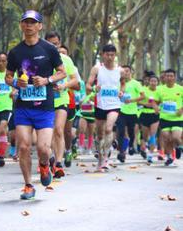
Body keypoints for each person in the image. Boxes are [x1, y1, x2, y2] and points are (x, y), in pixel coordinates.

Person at [6, 10, 66, 200]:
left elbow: (62, 73)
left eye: (33, 22)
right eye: (26, 22)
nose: (29, 26)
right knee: (23, 146)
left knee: (43, 148)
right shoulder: (16, 52)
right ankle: (28, 185)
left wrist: (47, 80)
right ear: (21, 25)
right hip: (23, 107)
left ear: (40, 26)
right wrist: (16, 83)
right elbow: (8, 76)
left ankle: (44, 165)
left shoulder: (49, 49)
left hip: (45, 107)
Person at [45, 32, 80, 176]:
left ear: (59, 43)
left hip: (62, 99)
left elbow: (75, 81)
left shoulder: (66, 59)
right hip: (45, 100)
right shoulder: (41, 59)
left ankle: (58, 163)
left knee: (59, 129)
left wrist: (64, 86)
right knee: (50, 132)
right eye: (50, 43)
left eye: (56, 43)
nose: (54, 46)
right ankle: (51, 157)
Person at [86, 44, 122, 172]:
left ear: (115, 55)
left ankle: (106, 158)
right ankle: (100, 159)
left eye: (112, 55)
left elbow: (123, 84)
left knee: (108, 129)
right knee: (100, 134)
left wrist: (121, 92)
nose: (110, 57)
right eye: (107, 54)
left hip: (114, 104)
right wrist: (94, 88)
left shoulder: (120, 70)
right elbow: (88, 86)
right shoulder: (97, 69)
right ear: (103, 54)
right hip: (100, 104)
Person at [116, 65, 144, 162]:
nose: (125, 73)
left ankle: (131, 145)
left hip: (132, 112)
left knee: (131, 133)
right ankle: (121, 152)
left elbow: (142, 96)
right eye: (123, 72)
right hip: (121, 111)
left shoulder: (136, 83)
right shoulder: (118, 83)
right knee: (121, 131)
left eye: (127, 71)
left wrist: (131, 100)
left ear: (131, 72)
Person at [154, 69, 182, 165]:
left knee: (175, 137)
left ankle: (179, 147)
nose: (169, 78)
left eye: (171, 76)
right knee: (166, 138)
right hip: (164, 118)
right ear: (164, 78)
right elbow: (155, 101)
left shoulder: (180, 89)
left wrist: (181, 110)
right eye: (167, 76)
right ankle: (170, 157)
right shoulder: (160, 89)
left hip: (177, 118)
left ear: (174, 77)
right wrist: (156, 108)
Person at [138, 73, 160, 163]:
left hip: (154, 115)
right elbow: (137, 101)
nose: (153, 83)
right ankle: (144, 146)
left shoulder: (159, 91)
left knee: (153, 134)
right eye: (151, 81)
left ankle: (150, 155)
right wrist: (145, 104)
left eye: (155, 81)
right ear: (149, 82)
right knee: (145, 136)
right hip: (144, 113)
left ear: (157, 83)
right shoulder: (143, 90)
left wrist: (157, 106)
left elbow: (163, 101)